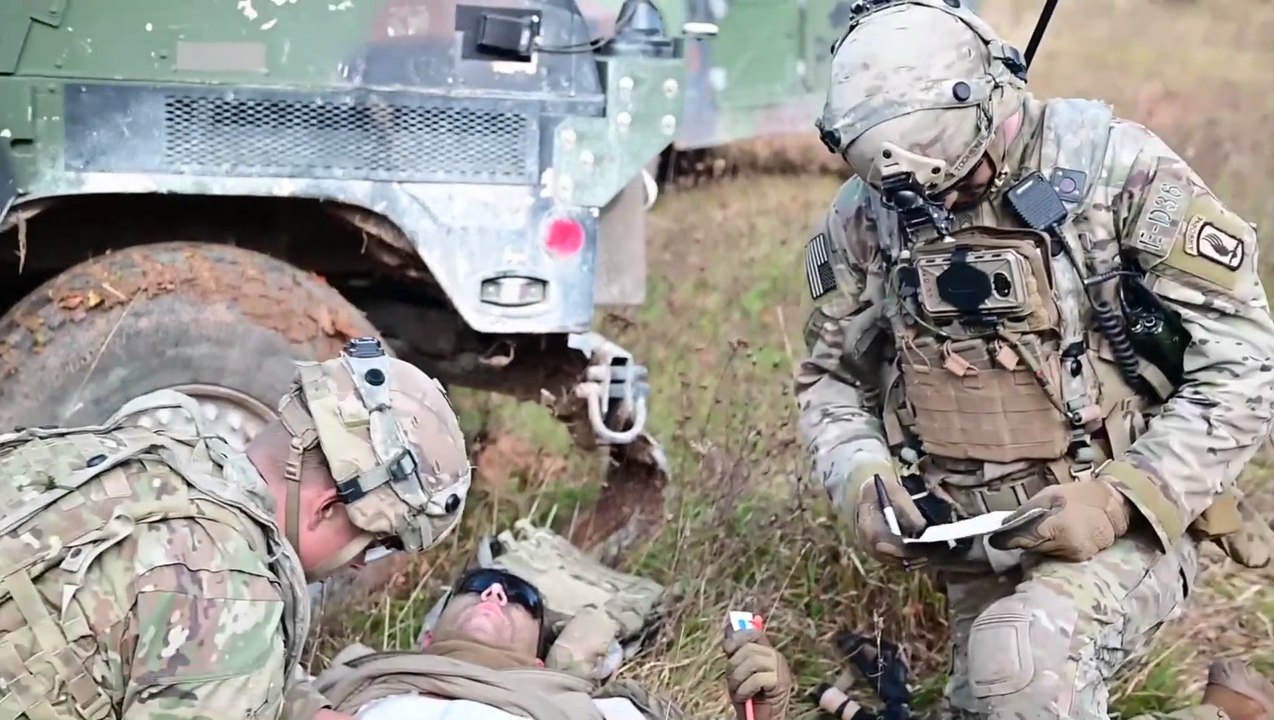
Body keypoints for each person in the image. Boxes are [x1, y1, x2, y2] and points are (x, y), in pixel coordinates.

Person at [796, 1, 1274, 718]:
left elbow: (1243, 363)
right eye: (922, 198)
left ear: (993, 103)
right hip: (976, 545)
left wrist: (1118, 501)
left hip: (1126, 523)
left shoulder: (1115, 172)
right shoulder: (870, 214)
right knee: (1004, 696)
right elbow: (828, 379)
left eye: (958, 186)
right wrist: (860, 478)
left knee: (1018, 658)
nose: (941, 208)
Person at [0, 336, 472, 720]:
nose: (352, 566)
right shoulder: (237, 597)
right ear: (326, 508)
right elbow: (217, 629)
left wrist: (305, 709)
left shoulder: (150, 451)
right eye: (372, 547)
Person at [309, 566, 793, 720]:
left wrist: (763, 716)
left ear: (539, 661)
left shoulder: (603, 713)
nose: (495, 593)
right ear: (427, 637)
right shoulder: (343, 682)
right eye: (476, 584)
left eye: (522, 598)